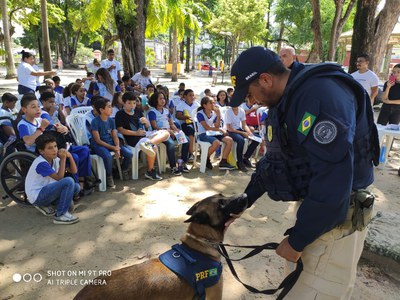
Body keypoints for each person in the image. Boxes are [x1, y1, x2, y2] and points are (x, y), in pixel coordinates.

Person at [226, 47, 378, 299]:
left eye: (250, 94)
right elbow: (275, 159)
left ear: (265, 79)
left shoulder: (321, 96)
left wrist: (298, 240)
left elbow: (333, 185)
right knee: (299, 286)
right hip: (317, 210)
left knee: (316, 291)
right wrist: (244, 201)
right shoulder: (288, 95)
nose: (252, 102)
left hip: (336, 217)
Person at [25, 134, 80, 224]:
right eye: (50, 148)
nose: (54, 150)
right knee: (69, 181)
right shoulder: (41, 163)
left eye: (55, 146)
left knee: (76, 186)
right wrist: (63, 159)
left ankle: (54, 205)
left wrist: (69, 157)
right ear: (41, 151)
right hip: (38, 195)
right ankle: (60, 215)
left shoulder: (54, 159)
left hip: (49, 190)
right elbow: (59, 178)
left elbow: (74, 171)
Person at [116, 92, 170, 180]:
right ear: (124, 103)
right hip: (133, 139)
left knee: (165, 133)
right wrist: (136, 133)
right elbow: (120, 130)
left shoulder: (137, 112)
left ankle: (149, 144)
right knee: (154, 148)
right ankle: (150, 171)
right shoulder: (120, 114)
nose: (132, 105)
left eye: (134, 103)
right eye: (129, 103)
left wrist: (146, 123)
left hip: (144, 136)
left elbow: (147, 127)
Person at [91, 97, 133, 186]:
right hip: (99, 145)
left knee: (129, 154)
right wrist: (113, 147)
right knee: (108, 157)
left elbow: (114, 135)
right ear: (102, 110)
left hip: (111, 143)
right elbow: (98, 140)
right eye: (109, 107)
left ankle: (123, 169)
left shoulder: (111, 120)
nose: (111, 109)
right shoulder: (95, 122)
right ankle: (109, 176)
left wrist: (117, 147)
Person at [148, 91, 188, 175]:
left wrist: (177, 130)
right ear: (155, 100)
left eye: (164, 98)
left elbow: (171, 123)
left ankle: (182, 163)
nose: (163, 100)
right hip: (160, 133)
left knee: (186, 140)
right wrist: (168, 131)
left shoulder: (166, 111)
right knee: (171, 144)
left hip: (170, 131)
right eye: (160, 98)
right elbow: (155, 126)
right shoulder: (152, 112)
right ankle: (173, 167)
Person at [196, 96, 235, 170]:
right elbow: (206, 127)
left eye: (214, 102)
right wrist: (220, 130)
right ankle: (205, 158)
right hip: (203, 134)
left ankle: (223, 161)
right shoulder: (200, 114)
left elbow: (216, 125)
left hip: (213, 133)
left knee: (229, 140)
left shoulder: (214, 113)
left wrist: (218, 115)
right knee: (216, 142)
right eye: (210, 103)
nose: (213, 104)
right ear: (204, 105)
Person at [225, 105, 260, 171]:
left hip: (239, 129)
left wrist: (249, 132)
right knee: (241, 140)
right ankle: (240, 162)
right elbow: (229, 128)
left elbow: (244, 125)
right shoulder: (228, 112)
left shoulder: (241, 111)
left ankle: (246, 158)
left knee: (257, 138)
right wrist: (242, 133)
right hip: (230, 131)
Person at [175, 89, 200, 164]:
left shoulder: (197, 104)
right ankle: (191, 153)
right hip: (186, 124)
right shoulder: (181, 105)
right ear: (184, 96)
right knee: (190, 130)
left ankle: (203, 152)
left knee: (202, 130)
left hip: (196, 123)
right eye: (190, 95)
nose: (192, 97)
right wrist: (186, 117)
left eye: (193, 95)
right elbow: (178, 116)